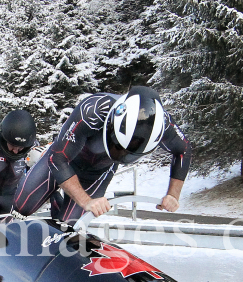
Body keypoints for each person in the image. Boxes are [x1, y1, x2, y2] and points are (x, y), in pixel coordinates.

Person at [12, 86, 191, 224]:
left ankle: (57, 203)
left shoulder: (163, 125)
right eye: (118, 146)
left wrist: (173, 194)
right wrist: (85, 201)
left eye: (129, 152)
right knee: (21, 206)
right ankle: (52, 191)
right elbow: (58, 158)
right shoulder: (93, 111)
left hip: (97, 171)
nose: (122, 154)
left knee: (69, 228)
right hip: (65, 157)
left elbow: (183, 149)